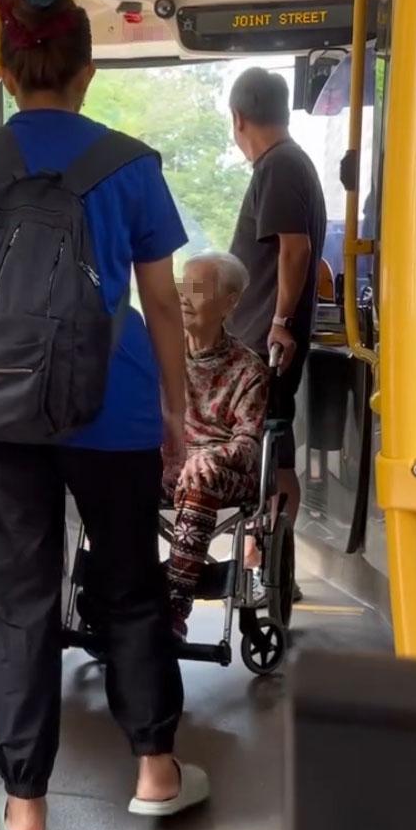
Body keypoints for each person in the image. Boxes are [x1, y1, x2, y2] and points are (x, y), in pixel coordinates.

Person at [0, 0, 208, 830]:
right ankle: (156, 772)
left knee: (16, 598)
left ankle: (25, 809)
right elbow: (164, 306)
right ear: (87, 71)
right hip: (113, 406)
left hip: (1, 410)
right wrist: (176, 411)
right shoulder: (131, 163)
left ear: (10, 75)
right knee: (129, 584)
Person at [227, 67, 327, 599]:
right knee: (277, 445)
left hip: (266, 343)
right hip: (264, 341)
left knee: (268, 443)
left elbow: (296, 248)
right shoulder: (288, 165)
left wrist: (282, 323)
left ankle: (267, 559)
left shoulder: (280, 166)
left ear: (238, 119)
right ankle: (273, 562)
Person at [166, 254, 269, 638]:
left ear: (229, 303)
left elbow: (247, 442)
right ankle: (116, 593)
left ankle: (175, 607)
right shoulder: (162, 355)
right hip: (168, 466)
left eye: (199, 289)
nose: (184, 296)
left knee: (200, 479)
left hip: (223, 474)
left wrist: (206, 455)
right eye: (182, 285)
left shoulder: (248, 369)